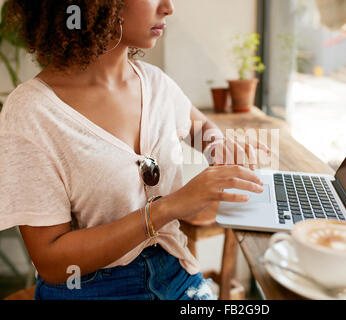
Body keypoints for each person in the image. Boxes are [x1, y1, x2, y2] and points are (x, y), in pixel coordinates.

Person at [0, 0, 269, 300]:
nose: (169, 7)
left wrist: (218, 145)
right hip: (90, 289)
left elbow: (201, 128)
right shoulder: (32, 111)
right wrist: (169, 207)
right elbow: (51, 262)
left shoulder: (154, 83)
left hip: (176, 274)